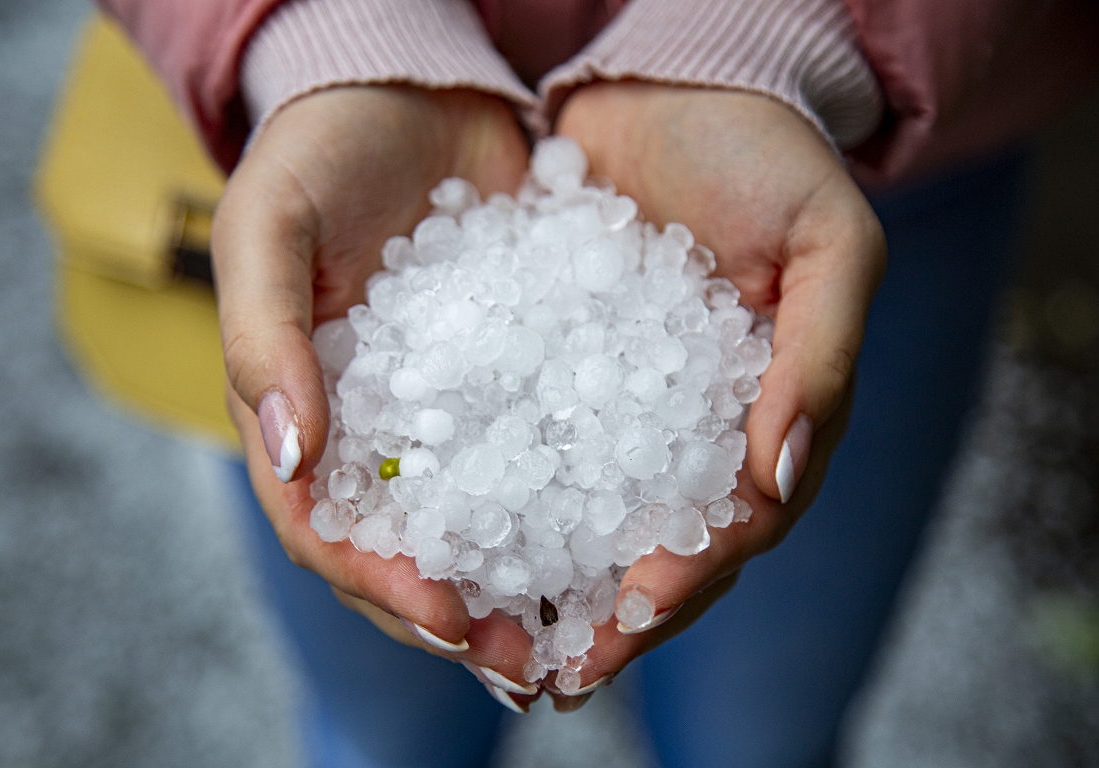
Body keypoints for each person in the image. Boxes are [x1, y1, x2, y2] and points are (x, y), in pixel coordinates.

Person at [99, 1, 1099, 765]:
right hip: (322, 151)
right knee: (384, 735)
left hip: (865, 149)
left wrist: (788, 30)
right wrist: (326, 33)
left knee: (761, 738)